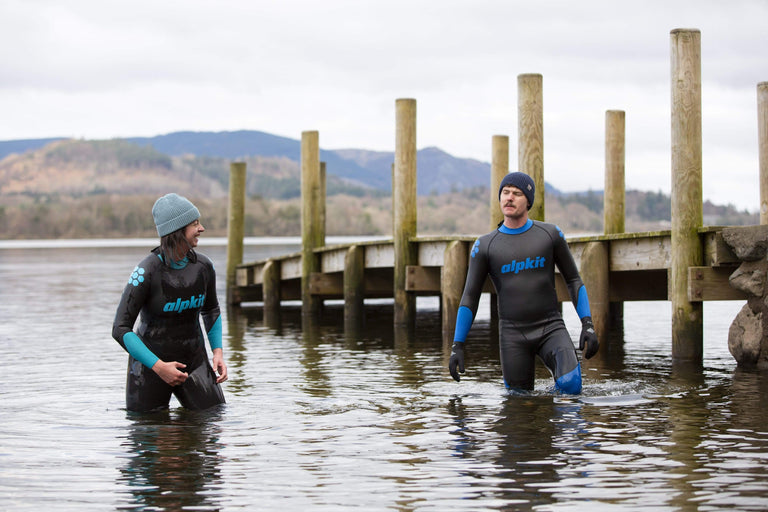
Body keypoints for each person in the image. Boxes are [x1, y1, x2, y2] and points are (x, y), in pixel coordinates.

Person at [448, 172, 599, 394]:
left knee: (571, 385)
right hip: (513, 335)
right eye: (505, 192)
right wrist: (457, 346)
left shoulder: (550, 234)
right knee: (518, 401)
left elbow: (574, 280)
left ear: (528, 201)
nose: (509, 197)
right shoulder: (485, 246)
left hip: (550, 327)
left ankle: (556, 411)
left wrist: (587, 324)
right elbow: (470, 297)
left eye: (517, 193)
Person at [112, 193, 228, 412]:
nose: (201, 228)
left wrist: (218, 353)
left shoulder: (204, 267)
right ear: (177, 231)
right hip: (149, 368)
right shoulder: (146, 272)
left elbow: (211, 309)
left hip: (194, 362)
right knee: (148, 428)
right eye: (195, 224)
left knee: (214, 420)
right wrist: (158, 367)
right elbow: (120, 328)